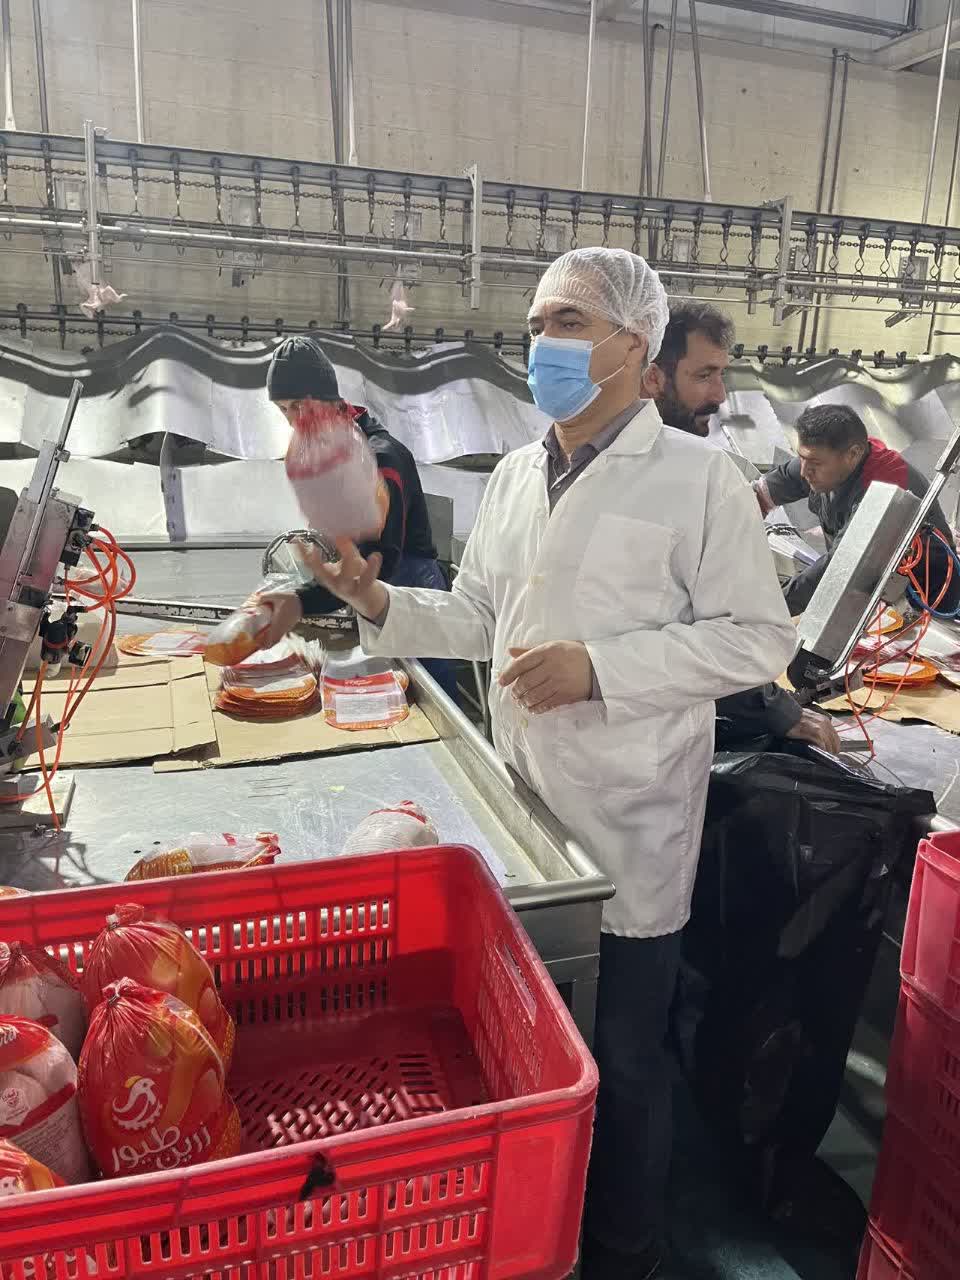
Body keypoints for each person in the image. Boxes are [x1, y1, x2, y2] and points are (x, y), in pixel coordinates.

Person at [283, 248, 798, 1279]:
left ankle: (627, 1245)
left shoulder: (699, 477)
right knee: (540, 1048)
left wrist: (601, 668)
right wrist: (374, 598)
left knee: (630, 1059)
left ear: (633, 346)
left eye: (567, 322)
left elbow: (758, 641)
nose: (541, 344)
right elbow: (481, 614)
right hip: (527, 806)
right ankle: (543, 1229)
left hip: (632, 816)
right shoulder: (519, 473)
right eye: (535, 324)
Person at [645, 301, 840, 755]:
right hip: (646, 734)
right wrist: (779, 711)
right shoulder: (683, 477)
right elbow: (712, 634)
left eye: (722, 375)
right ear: (653, 377)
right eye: (703, 375)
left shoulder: (691, 469)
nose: (719, 395)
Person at [254, 335, 458, 700]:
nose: (293, 420)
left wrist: (301, 601)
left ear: (328, 398)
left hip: (412, 586)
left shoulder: (382, 459)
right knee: (391, 695)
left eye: (299, 405)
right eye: (283, 410)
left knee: (434, 701)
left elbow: (373, 566)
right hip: (376, 589)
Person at [755, 403, 959, 617]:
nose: (805, 472)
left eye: (814, 463)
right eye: (802, 458)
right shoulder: (827, 461)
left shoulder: (886, 490)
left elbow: (838, 568)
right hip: (870, 591)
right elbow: (764, 492)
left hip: (926, 604)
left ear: (854, 453)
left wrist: (771, 610)